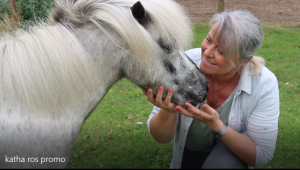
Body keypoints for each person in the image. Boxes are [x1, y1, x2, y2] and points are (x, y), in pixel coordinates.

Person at [143, 10, 280, 169]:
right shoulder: (181, 65)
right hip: (189, 154)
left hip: (231, 159)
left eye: (221, 51)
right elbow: (160, 137)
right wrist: (168, 112)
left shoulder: (265, 84)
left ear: (243, 61)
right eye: (208, 40)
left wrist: (217, 126)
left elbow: (260, 156)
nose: (207, 53)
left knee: (223, 162)